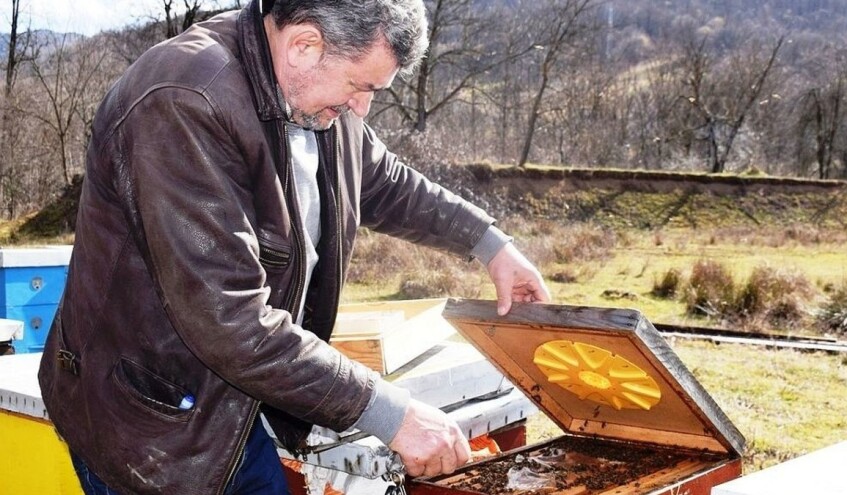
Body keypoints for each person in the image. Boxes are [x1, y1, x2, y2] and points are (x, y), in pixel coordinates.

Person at [38, 0, 551, 494]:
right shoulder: (184, 101)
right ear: (304, 44)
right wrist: (394, 414)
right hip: (159, 426)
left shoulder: (316, 97)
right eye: (361, 86)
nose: (363, 107)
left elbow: (380, 182)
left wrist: (490, 244)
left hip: (242, 407)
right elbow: (231, 322)